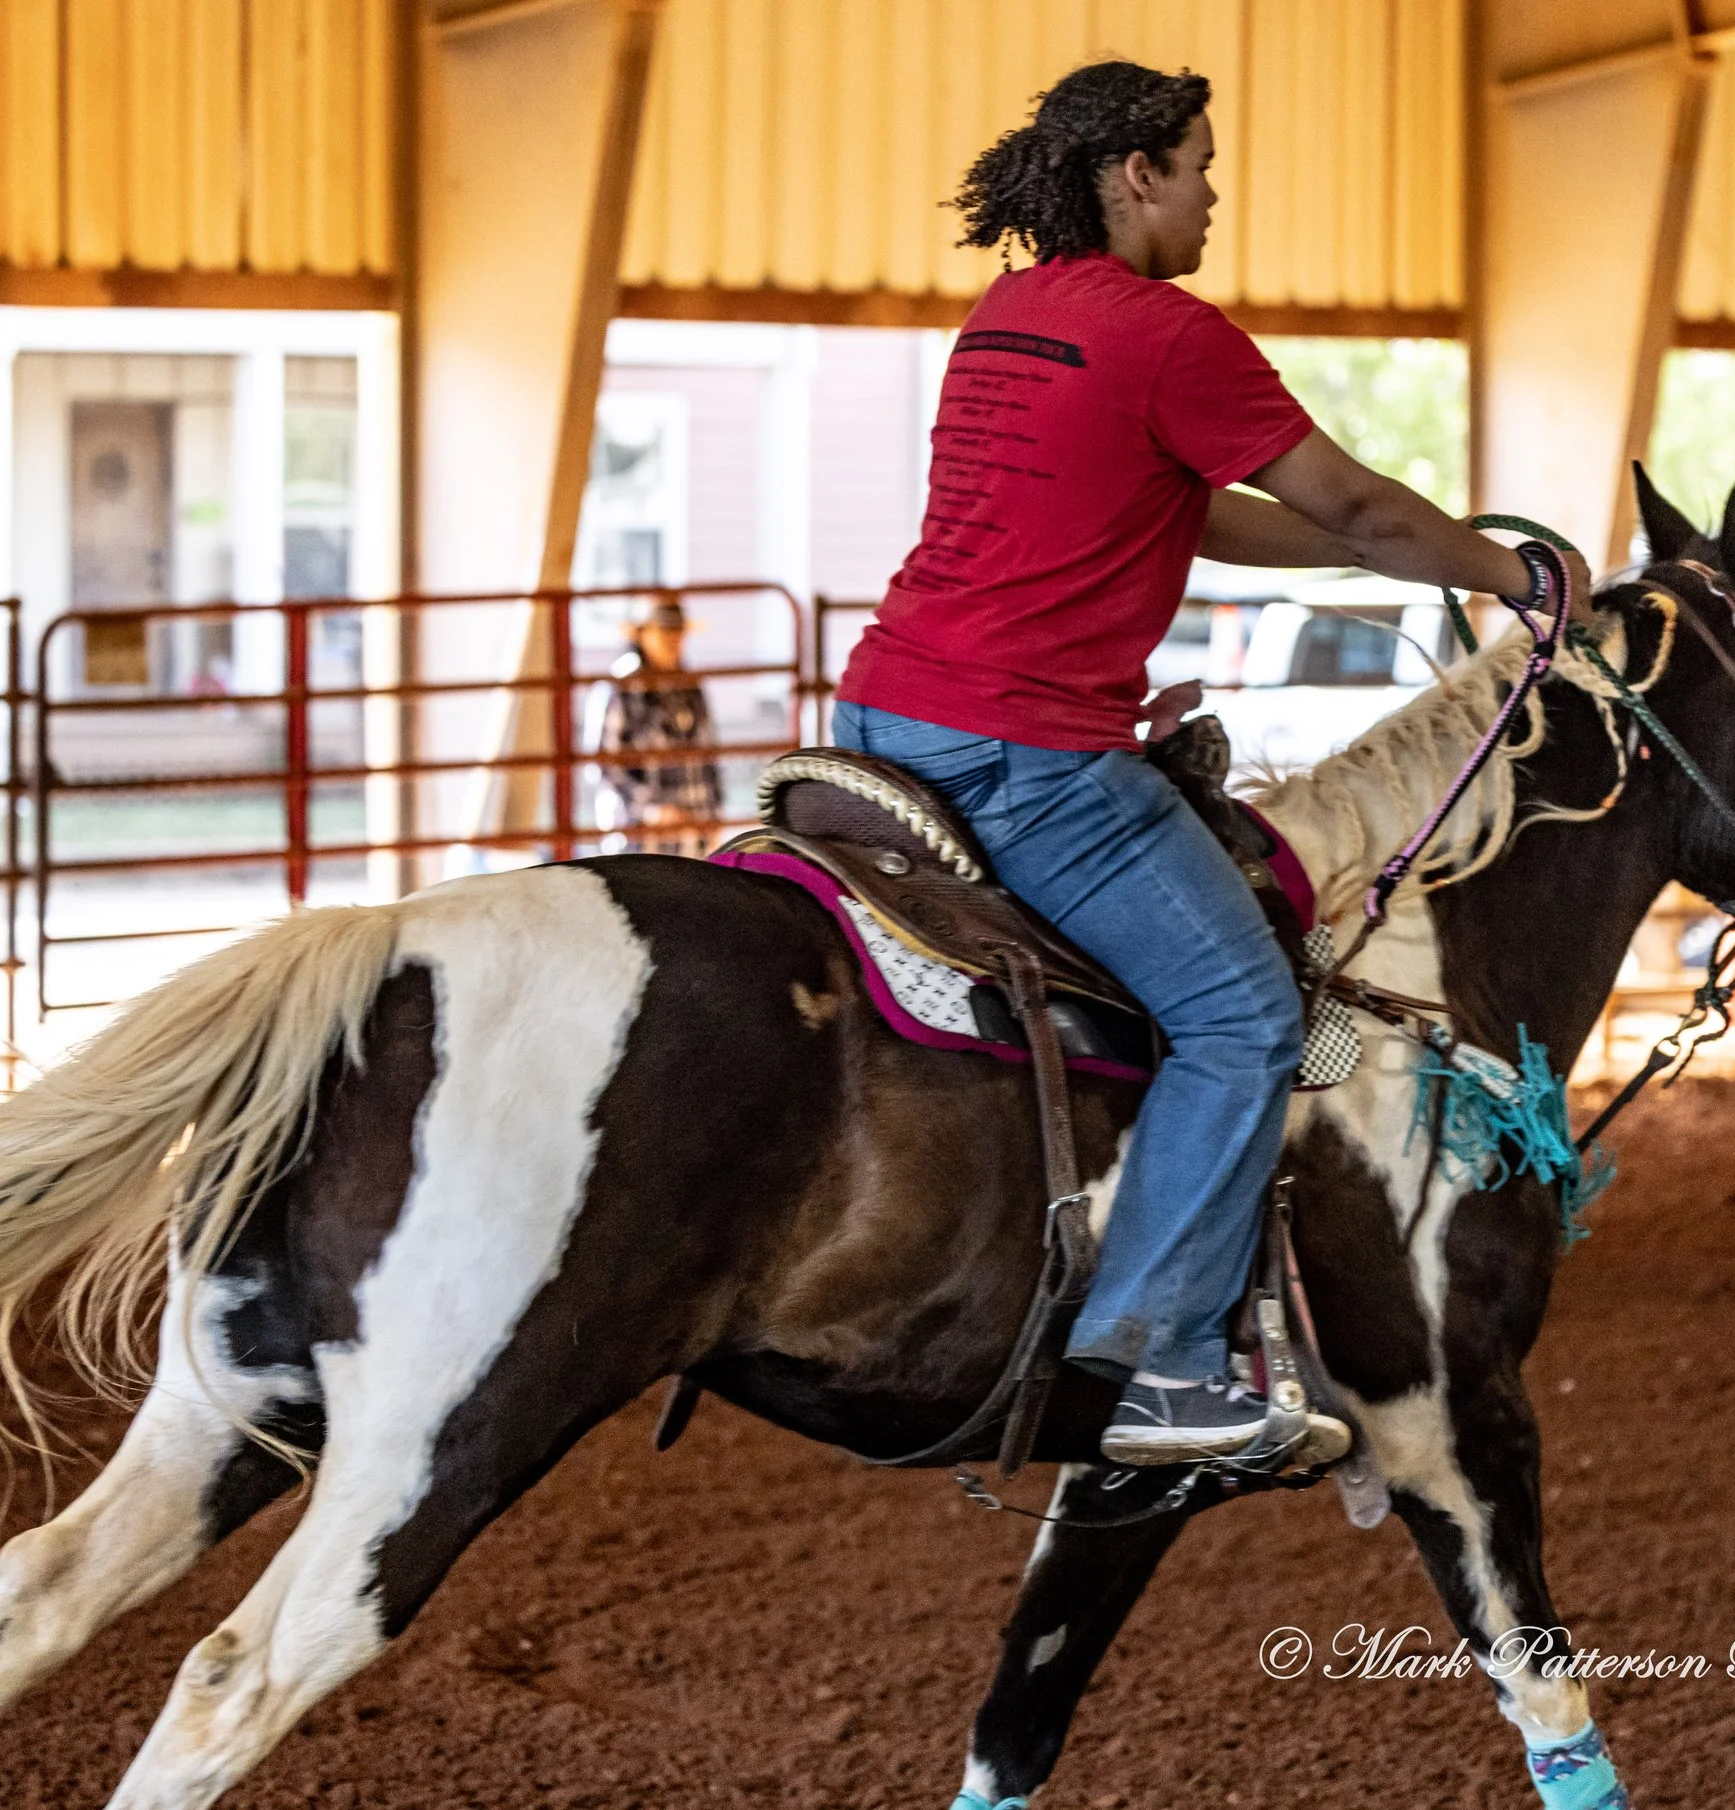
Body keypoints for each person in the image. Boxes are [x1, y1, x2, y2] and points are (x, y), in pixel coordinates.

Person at [832, 62, 1593, 1468]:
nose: (1211, 196)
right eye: (1198, 168)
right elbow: (1354, 500)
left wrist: (1380, 546)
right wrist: (1520, 577)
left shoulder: (1011, 316)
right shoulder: (1167, 333)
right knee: (1244, 1017)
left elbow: (1205, 507)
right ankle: (1158, 1359)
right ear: (1137, 175)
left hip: (884, 715)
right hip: (1023, 751)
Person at [594, 594, 723, 855]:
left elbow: (708, 755)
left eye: (678, 632)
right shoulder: (622, 688)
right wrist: (652, 810)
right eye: (665, 631)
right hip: (641, 835)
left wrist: (714, 813)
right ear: (643, 635)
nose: (673, 640)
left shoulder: (691, 686)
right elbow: (606, 764)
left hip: (690, 833)